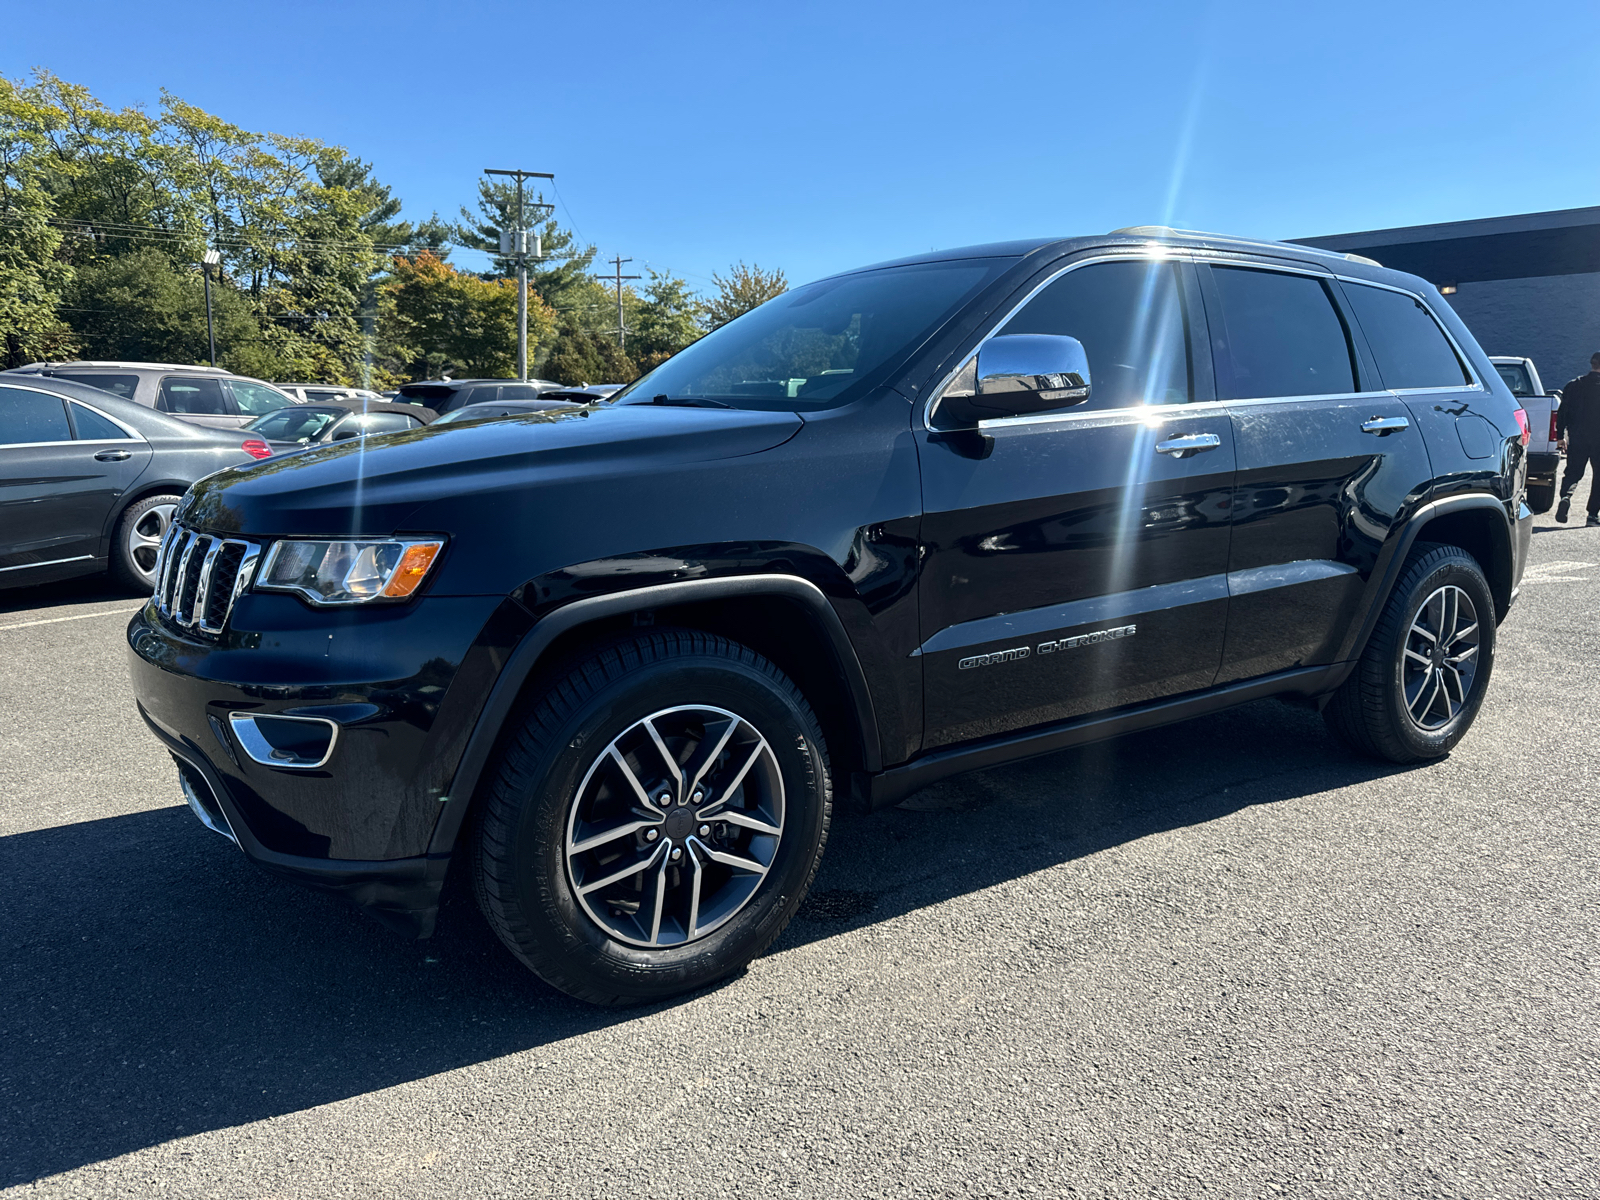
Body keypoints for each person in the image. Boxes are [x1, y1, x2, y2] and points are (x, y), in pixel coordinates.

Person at [1556, 352, 1600, 525]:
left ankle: (1565, 497)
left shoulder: (1574, 385)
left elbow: (1562, 413)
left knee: (1573, 472)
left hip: (1578, 437)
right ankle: (1592, 515)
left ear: (1591, 364)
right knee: (1599, 477)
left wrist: (1561, 436)